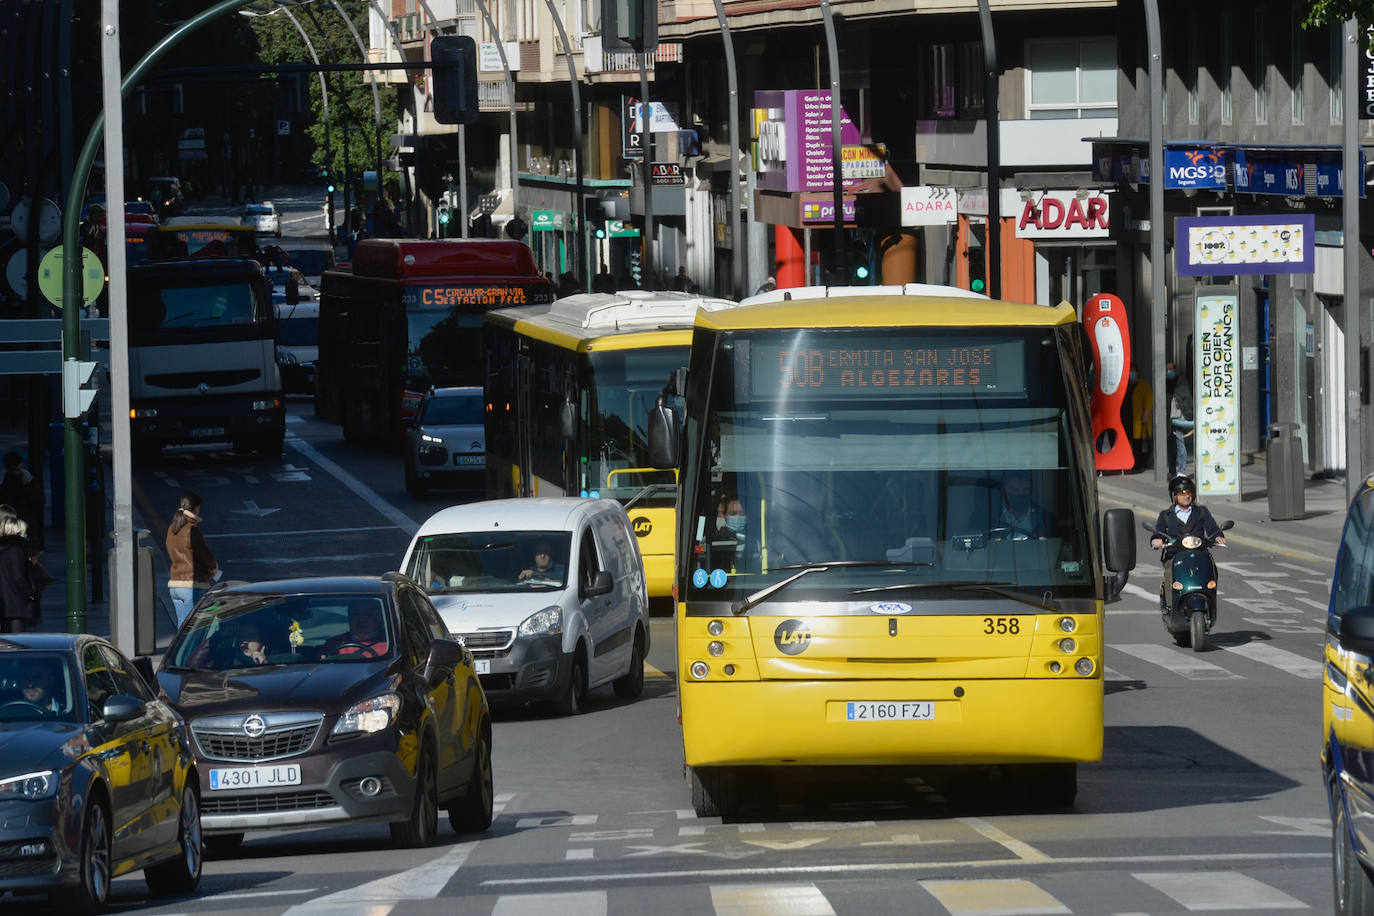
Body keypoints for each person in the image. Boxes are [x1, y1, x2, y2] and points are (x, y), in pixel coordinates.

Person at [1150, 474, 1226, 607]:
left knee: (1212, 568)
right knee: (1169, 572)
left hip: (1199, 553)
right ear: (1174, 496)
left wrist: (1218, 537)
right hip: (1175, 554)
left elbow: (1212, 527)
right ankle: (1170, 605)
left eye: (1189, 493)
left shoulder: (1201, 512)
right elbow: (1159, 532)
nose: (1186, 496)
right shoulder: (1166, 515)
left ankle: (1211, 602)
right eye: (1182, 493)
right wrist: (1157, 540)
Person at [166, 491, 219, 626]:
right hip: (191, 585)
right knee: (194, 629)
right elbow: (205, 556)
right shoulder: (192, 530)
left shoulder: (172, 529)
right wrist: (213, 569)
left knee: (182, 628)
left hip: (175, 586)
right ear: (195, 508)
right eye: (199, 508)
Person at [0, 514, 42, 633]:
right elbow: (19, 578)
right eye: (24, 532)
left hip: (4, 604)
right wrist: (31, 594)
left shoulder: (4, 549)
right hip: (16, 604)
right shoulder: (16, 550)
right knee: (18, 641)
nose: (26, 535)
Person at [0, 452, 44, 551]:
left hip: (27, 527)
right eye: (16, 469)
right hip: (18, 528)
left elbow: (39, 500)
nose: (19, 472)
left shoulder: (28, 481)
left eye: (21, 468)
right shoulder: (8, 487)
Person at [994, 470, 1049, 539]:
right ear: (1004, 491)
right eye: (1015, 490)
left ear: (1031, 490)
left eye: (1025, 490)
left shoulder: (1045, 520)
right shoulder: (991, 518)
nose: (1020, 494)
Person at [322, 600, 389, 656]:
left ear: (378, 617)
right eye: (355, 614)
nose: (361, 619)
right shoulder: (333, 643)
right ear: (349, 617)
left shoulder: (390, 644)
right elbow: (318, 668)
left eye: (368, 613)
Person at [1169, 367, 1193, 476]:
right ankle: (1181, 470)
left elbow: (1174, 416)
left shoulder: (1175, 397)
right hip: (1189, 426)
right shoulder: (1190, 397)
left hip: (1178, 426)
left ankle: (1181, 471)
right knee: (1184, 448)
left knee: (1180, 448)